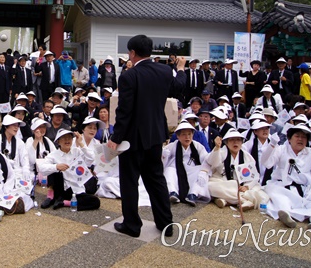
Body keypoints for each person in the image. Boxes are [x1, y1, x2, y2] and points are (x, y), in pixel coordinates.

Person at [108, 35, 186, 238]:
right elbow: (178, 88)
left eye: (129, 52)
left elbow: (124, 112)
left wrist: (115, 137)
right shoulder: (164, 70)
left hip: (132, 138)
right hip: (155, 134)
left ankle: (132, 225)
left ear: (133, 53)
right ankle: (166, 223)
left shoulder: (129, 76)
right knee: (156, 180)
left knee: (129, 181)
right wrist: (182, 69)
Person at [263, 124, 311, 231]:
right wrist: (272, 145)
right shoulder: (281, 149)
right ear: (290, 139)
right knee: (281, 199)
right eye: (297, 136)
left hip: (305, 188)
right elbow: (266, 163)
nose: (300, 139)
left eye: (304, 137)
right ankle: (287, 217)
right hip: (283, 186)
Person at [38, 128, 100, 211]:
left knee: (95, 202)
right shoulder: (53, 155)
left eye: (69, 138)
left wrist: (81, 143)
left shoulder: (77, 151)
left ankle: (65, 202)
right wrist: (56, 166)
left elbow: (91, 158)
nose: (67, 140)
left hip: (76, 188)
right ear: (58, 141)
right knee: (53, 169)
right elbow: (41, 168)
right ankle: (51, 197)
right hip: (60, 187)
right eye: (63, 138)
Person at [206, 130, 267, 210]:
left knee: (259, 192)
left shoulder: (247, 156)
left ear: (242, 142)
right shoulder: (221, 152)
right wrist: (217, 148)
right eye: (232, 140)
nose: (235, 142)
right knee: (210, 186)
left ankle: (226, 200)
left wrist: (247, 186)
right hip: (224, 182)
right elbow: (212, 162)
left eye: (238, 140)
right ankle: (243, 200)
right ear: (226, 142)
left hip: (242, 186)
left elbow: (254, 176)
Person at [162, 121, 210, 207]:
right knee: (169, 170)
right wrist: (163, 155)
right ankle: (173, 192)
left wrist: (204, 171)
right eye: (184, 134)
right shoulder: (173, 146)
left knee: (201, 173)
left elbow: (206, 160)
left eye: (189, 134)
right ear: (178, 136)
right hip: (176, 170)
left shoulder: (197, 146)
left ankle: (193, 194)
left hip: (192, 171)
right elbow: (163, 159)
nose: (187, 137)